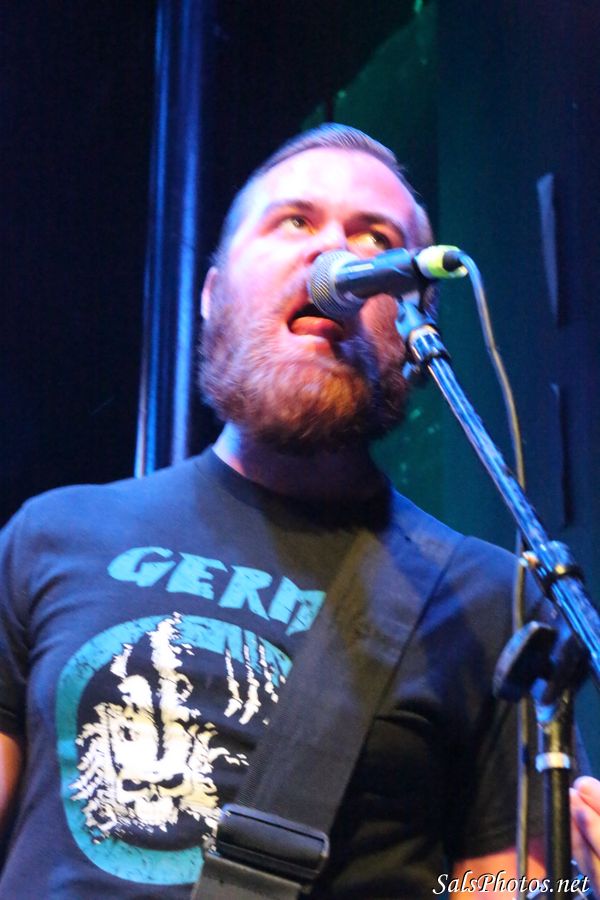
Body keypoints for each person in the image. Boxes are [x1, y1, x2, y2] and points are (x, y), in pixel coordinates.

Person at [0, 123, 597, 899]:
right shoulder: (52, 534)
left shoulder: (491, 602)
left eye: (376, 239)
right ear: (213, 295)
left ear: (416, 328)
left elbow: (503, 886)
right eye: (294, 221)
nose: (334, 257)